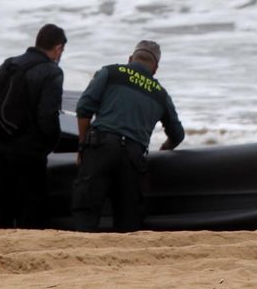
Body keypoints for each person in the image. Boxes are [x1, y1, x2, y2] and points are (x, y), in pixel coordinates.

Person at [70, 39, 184, 233]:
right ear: (155, 68)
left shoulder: (110, 73)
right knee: (128, 221)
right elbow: (177, 134)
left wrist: (83, 144)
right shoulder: (160, 95)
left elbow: (83, 107)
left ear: (130, 59)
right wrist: (163, 150)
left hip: (101, 148)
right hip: (133, 158)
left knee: (86, 213)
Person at [0, 23, 67, 229]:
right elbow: (47, 115)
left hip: (1, 144)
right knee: (31, 205)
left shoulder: (9, 64)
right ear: (57, 49)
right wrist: (50, 144)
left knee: (2, 201)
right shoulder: (51, 72)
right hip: (29, 150)